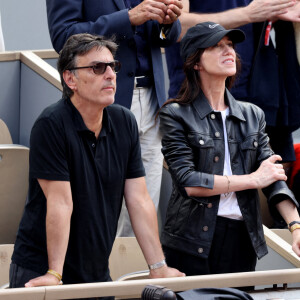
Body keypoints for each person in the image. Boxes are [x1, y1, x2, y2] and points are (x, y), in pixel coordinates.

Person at [9, 33, 184, 291]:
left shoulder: (124, 121)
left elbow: (138, 199)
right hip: (41, 269)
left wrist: (158, 267)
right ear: (71, 79)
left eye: (113, 66)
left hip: (96, 271)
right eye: (97, 68)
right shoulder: (51, 124)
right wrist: (54, 274)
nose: (111, 74)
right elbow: (60, 202)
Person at [158, 22, 300, 277]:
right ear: (195, 62)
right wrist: (253, 179)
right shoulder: (175, 114)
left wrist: (295, 226)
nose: (229, 51)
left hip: (241, 239)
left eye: (230, 45)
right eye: (216, 46)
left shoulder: (252, 114)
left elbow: (273, 177)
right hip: (190, 241)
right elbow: (189, 182)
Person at [46, 0, 182, 237]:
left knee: (143, 204)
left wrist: (168, 22)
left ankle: (132, 272)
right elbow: (64, 37)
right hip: (102, 100)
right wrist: (127, 18)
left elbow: (164, 37)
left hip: (153, 99)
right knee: (100, 209)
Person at [165, 0, 300, 192]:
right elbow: (173, 28)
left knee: (275, 179)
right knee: (208, 188)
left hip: (262, 94)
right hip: (202, 96)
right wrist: (248, 14)